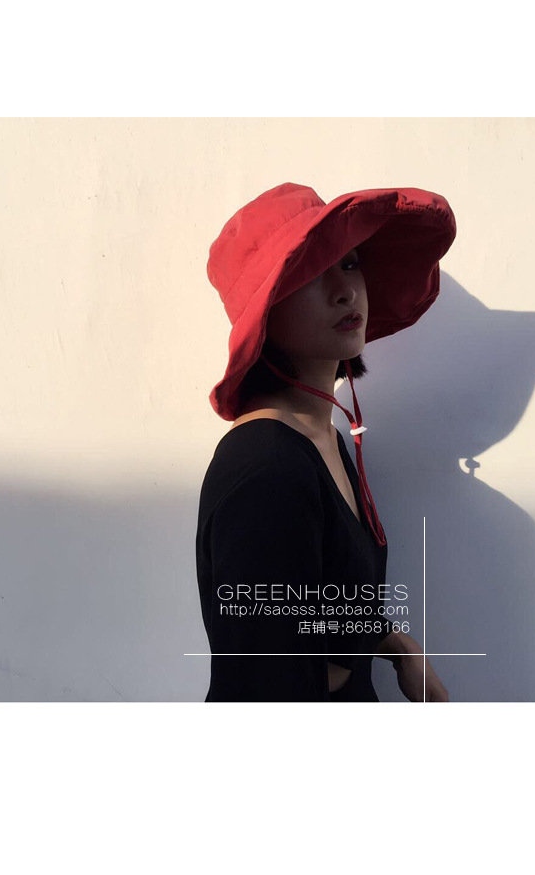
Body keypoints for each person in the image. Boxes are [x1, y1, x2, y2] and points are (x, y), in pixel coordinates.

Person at [195, 182, 456, 702]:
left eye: (351, 263)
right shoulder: (266, 469)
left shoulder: (324, 438)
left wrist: (395, 644)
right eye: (312, 272)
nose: (345, 290)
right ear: (265, 311)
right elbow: (263, 684)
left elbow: (322, 602)